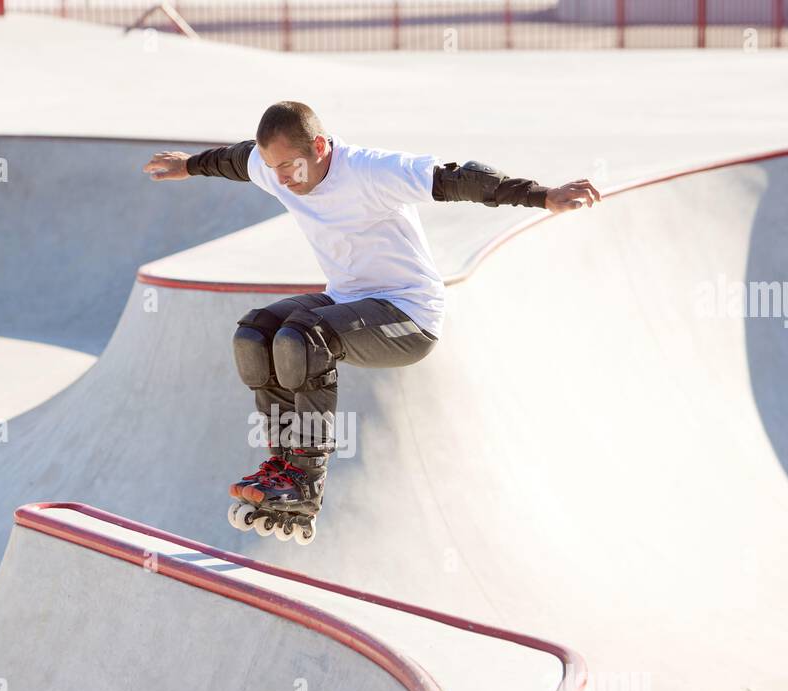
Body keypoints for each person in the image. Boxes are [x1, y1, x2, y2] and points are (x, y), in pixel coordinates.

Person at [143, 101, 599, 544]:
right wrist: (189, 165)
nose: (281, 179)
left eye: (290, 167)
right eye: (273, 168)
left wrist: (543, 196)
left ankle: (306, 481)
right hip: (350, 304)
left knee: (302, 338)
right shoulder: (271, 167)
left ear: (319, 146)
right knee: (255, 333)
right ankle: (282, 466)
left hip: (409, 317)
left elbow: (460, 180)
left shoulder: (371, 171)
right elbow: (236, 159)